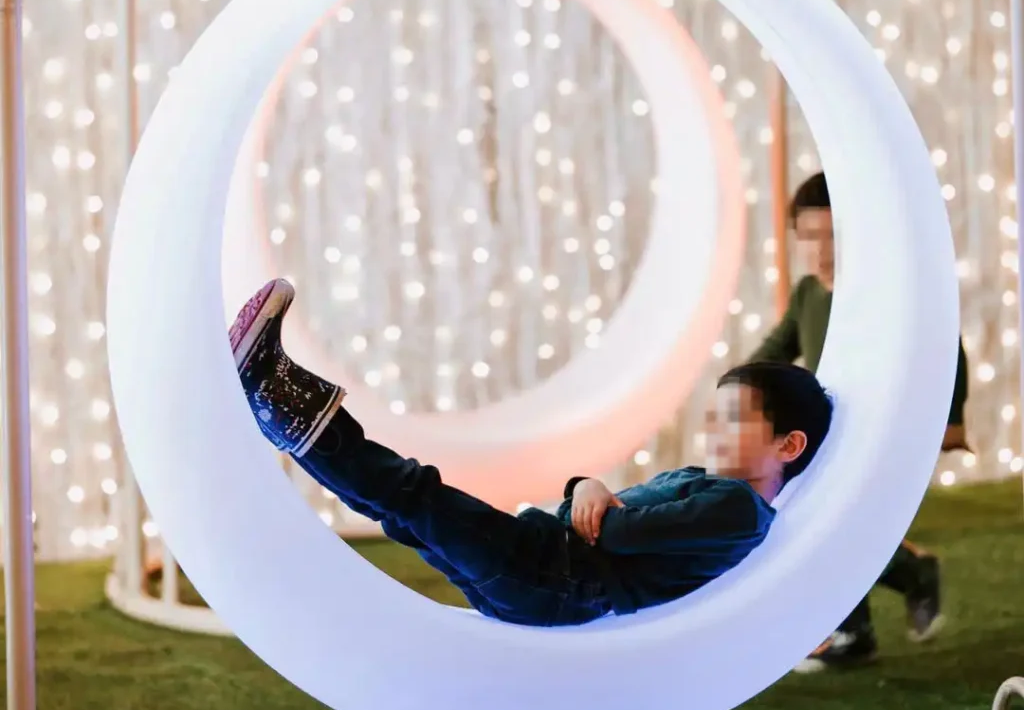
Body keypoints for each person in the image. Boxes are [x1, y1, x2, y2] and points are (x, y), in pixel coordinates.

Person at [230, 278, 833, 628]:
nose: (713, 428)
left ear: (788, 444)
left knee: (412, 492)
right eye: (714, 415)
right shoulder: (706, 483)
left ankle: (279, 394)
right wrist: (586, 489)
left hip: (548, 574)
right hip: (540, 568)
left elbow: (617, 534)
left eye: (733, 419)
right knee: (403, 510)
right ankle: (279, 406)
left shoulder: (738, 510)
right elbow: (608, 514)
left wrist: (594, 496)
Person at [752, 171, 968, 671]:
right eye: (810, 238)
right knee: (827, 518)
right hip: (832, 432)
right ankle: (903, 582)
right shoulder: (809, 292)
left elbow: (946, 344)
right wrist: (741, 385)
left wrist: (951, 418)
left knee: (836, 519)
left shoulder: (877, 291)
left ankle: (856, 625)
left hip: (880, 429)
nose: (822, 252)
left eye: (834, 237)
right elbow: (777, 350)